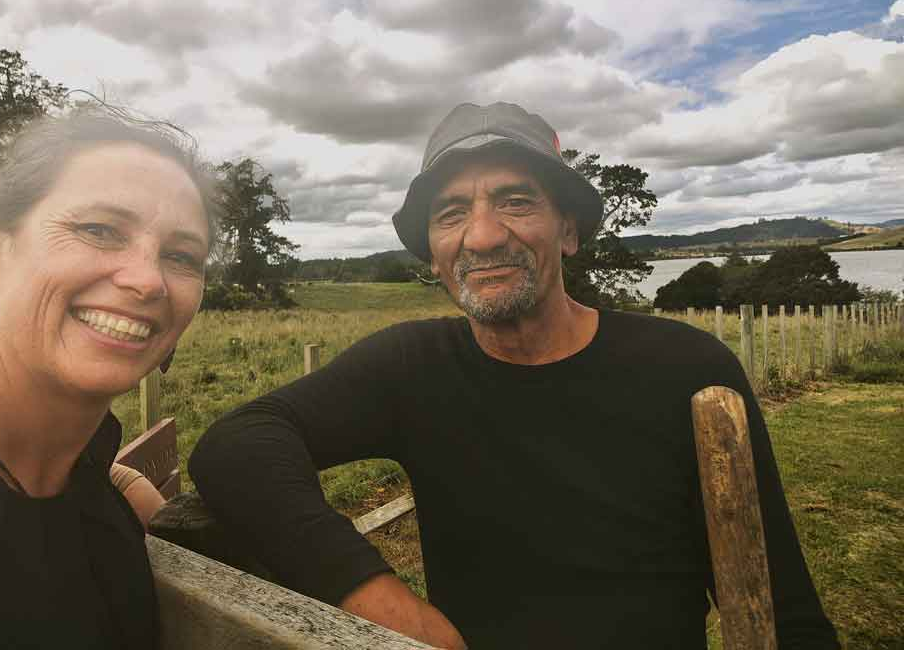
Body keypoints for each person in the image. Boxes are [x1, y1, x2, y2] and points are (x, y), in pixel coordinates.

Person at [189, 102, 839, 649]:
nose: (482, 236)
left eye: (515, 201)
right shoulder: (410, 369)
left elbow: (782, 605)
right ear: (435, 252)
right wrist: (381, 601)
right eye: (450, 214)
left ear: (569, 230)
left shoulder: (688, 370)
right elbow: (236, 444)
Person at [0, 107, 217, 649]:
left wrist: (125, 486)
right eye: (98, 230)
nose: (148, 280)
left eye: (181, 256)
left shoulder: (88, 462)